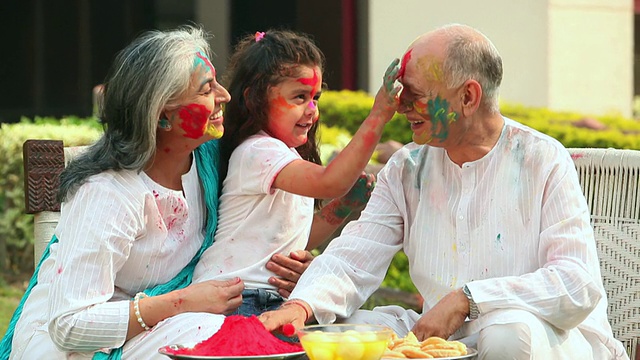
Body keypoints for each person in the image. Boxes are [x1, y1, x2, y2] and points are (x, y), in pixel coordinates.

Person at [258, 23, 629, 360]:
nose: (400, 106)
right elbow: (355, 256)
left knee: (509, 331)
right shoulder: (407, 168)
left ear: (468, 97)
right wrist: (302, 307)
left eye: (414, 94)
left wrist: (469, 299)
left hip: (549, 340)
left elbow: (576, 283)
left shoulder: (541, 159)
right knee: (340, 333)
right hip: (446, 342)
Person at [0, 26, 312, 360]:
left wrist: (293, 266)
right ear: (163, 116)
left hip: (169, 323)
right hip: (73, 345)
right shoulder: (108, 194)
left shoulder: (208, 160)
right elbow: (68, 325)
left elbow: (253, 231)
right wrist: (182, 302)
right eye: (207, 89)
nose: (225, 96)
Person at [192, 29, 401, 316]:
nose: (312, 110)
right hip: (236, 299)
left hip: (266, 299)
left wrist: (340, 209)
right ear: (255, 99)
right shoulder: (257, 151)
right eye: (299, 97)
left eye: (315, 97)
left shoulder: (284, 157)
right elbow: (331, 182)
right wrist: (379, 114)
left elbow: (295, 239)